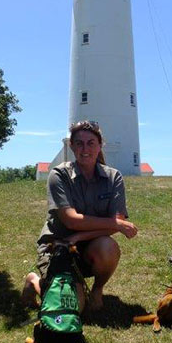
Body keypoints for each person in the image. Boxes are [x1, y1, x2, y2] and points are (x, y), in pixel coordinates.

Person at [22, 120, 138, 311]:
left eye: (91, 143)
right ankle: (35, 281)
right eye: (79, 143)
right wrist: (115, 224)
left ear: (100, 145)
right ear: (72, 146)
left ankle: (97, 290)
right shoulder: (59, 175)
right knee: (73, 308)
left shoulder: (113, 177)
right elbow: (71, 219)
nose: (85, 149)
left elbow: (117, 222)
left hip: (89, 246)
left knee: (108, 247)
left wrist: (79, 236)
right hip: (58, 246)